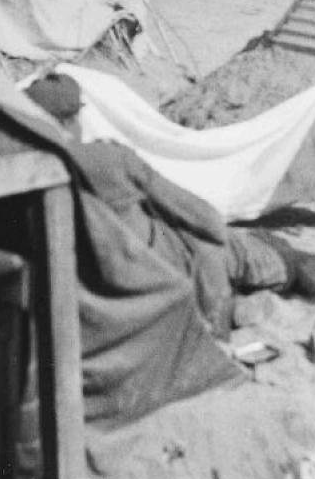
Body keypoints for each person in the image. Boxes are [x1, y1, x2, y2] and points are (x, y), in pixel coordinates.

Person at [23, 74, 292, 333]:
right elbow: (200, 216)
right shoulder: (110, 159)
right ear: (71, 120)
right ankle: (238, 306)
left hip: (84, 274)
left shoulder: (21, 168)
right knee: (214, 244)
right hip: (141, 269)